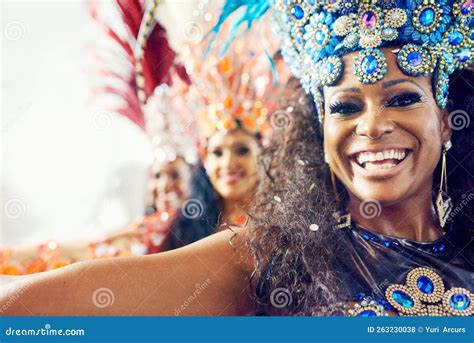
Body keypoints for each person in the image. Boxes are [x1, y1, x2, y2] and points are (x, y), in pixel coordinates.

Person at [1, 0, 473, 316]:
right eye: (345, 107)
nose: (371, 127)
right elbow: (43, 306)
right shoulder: (279, 257)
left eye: (403, 98)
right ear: (318, 133)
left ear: (447, 116)